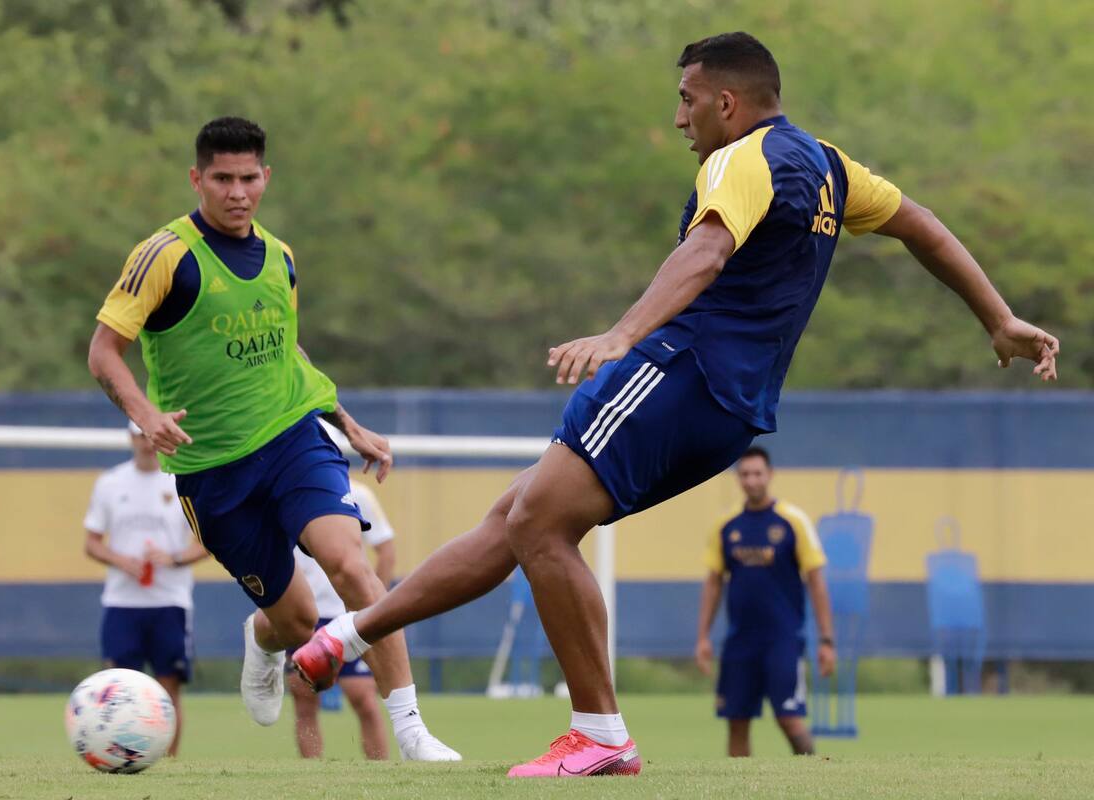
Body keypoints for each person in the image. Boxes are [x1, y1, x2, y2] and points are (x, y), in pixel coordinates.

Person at [292, 31, 1060, 778]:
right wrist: (997, 316)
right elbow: (919, 224)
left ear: (728, 102)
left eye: (687, 100)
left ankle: (599, 733)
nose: (678, 118)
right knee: (520, 516)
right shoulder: (828, 164)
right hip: (732, 407)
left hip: (681, 371)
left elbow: (706, 250)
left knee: (535, 523)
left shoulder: (743, 157)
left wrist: (623, 333)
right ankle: (349, 635)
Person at [86, 116, 459, 761]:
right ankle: (262, 641)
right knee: (296, 624)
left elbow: (289, 355)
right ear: (197, 178)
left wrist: (348, 423)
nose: (237, 192)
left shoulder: (281, 257)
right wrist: (146, 413)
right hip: (213, 471)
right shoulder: (164, 257)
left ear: (266, 178)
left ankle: (412, 731)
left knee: (351, 566)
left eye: (249, 178)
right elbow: (103, 351)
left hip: (292, 437)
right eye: (223, 179)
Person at [696, 446, 833, 757]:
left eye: (757, 473)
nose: (751, 480)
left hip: (782, 639)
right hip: (740, 641)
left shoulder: (792, 521)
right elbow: (714, 581)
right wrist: (703, 636)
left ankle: (815, 776)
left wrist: (826, 640)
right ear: (738, 478)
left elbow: (816, 580)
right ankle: (741, 787)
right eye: (745, 474)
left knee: (790, 719)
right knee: (736, 720)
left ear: (769, 475)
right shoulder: (726, 525)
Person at [83, 421, 209, 756]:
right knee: (118, 690)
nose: (145, 442)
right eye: (139, 435)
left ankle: (168, 762)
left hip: (170, 602)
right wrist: (119, 559)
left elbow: (206, 542)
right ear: (130, 438)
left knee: (168, 690)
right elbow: (92, 543)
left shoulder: (181, 480)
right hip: (122, 602)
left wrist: (174, 557)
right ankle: (118, 757)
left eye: (149, 435)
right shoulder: (110, 483)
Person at [287, 480, 396, 760]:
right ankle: (313, 777)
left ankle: (381, 773)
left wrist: (374, 605)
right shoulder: (284, 489)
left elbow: (385, 548)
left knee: (364, 698)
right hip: (304, 612)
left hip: (347, 613)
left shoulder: (358, 494)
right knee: (304, 698)